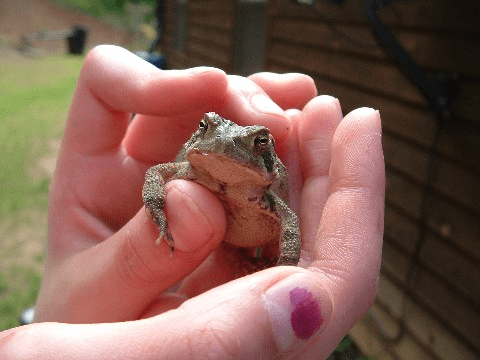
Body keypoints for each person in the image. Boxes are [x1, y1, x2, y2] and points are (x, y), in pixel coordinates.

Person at [0, 45, 384, 359]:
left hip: (248, 243)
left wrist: (279, 274)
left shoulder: (267, 196)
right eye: (206, 129)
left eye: (258, 143)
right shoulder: (189, 171)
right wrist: (155, 208)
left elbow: (290, 224)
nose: (221, 145)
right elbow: (157, 174)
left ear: (265, 155)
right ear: (197, 137)